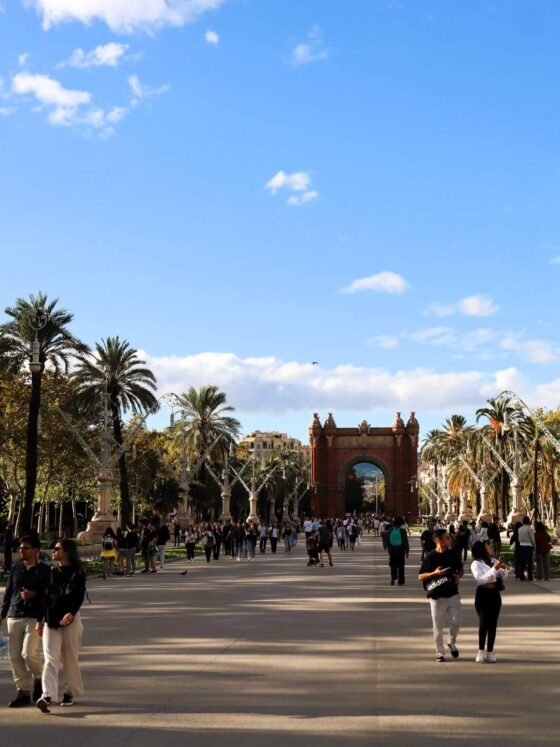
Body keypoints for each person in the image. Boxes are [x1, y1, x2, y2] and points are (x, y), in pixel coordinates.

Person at [36, 539, 86, 713]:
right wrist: (39, 620)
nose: (53, 551)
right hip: (51, 619)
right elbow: (44, 598)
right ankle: (47, 696)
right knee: (50, 659)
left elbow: (78, 595)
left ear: (66, 552)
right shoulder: (51, 572)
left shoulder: (78, 571)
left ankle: (69, 692)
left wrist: (71, 612)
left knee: (70, 658)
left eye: (56, 549)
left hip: (70, 620)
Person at [0, 534, 50, 707]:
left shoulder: (44, 570)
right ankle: (23, 691)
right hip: (14, 615)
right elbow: (8, 592)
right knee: (14, 656)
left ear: (35, 550)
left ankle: (39, 679)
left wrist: (34, 595)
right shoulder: (16, 568)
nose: (21, 550)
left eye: (25, 547)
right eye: (20, 548)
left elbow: (48, 594)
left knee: (28, 653)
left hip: (33, 616)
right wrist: (2, 613)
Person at [418, 528, 464, 662]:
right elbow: (420, 576)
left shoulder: (453, 554)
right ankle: (440, 652)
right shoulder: (431, 556)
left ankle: (451, 641)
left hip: (452, 594)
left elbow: (460, 569)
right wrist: (435, 573)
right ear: (439, 540)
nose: (449, 540)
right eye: (447, 538)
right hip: (437, 597)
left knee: (457, 622)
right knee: (438, 626)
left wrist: (459, 577)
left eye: (449, 537)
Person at [470, 540, 508, 663]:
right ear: (482, 549)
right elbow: (480, 580)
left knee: (493, 623)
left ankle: (490, 651)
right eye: (487, 546)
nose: (490, 547)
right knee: (483, 622)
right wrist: (493, 570)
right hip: (483, 595)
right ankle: (481, 650)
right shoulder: (476, 564)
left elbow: (503, 576)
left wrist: (503, 569)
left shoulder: (493, 561)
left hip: (494, 595)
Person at [387, 517, 409, 585]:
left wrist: (389, 549)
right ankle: (401, 581)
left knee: (393, 564)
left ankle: (393, 576)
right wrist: (407, 551)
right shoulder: (403, 530)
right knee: (401, 565)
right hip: (400, 550)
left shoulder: (391, 529)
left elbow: (388, 540)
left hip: (392, 549)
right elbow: (405, 541)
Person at [517, 516, 536, 581]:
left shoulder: (520, 529)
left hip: (521, 545)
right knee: (529, 562)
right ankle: (530, 576)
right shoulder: (529, 529)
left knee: (522, 562)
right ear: (528, 521)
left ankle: (521, 576)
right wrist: (534, 546)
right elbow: (532, 539)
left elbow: (519, 538)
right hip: (528, 545)